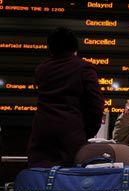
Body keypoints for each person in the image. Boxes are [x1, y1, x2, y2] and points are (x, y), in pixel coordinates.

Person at [27, 26, 104, 168]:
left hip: (41, 133)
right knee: (68, 182)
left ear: (50, 48)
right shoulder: (84, 68)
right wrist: (85, 132)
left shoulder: (41, 68)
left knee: (40, 179)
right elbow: (96, 106)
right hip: (70, 135)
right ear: (75, 47)